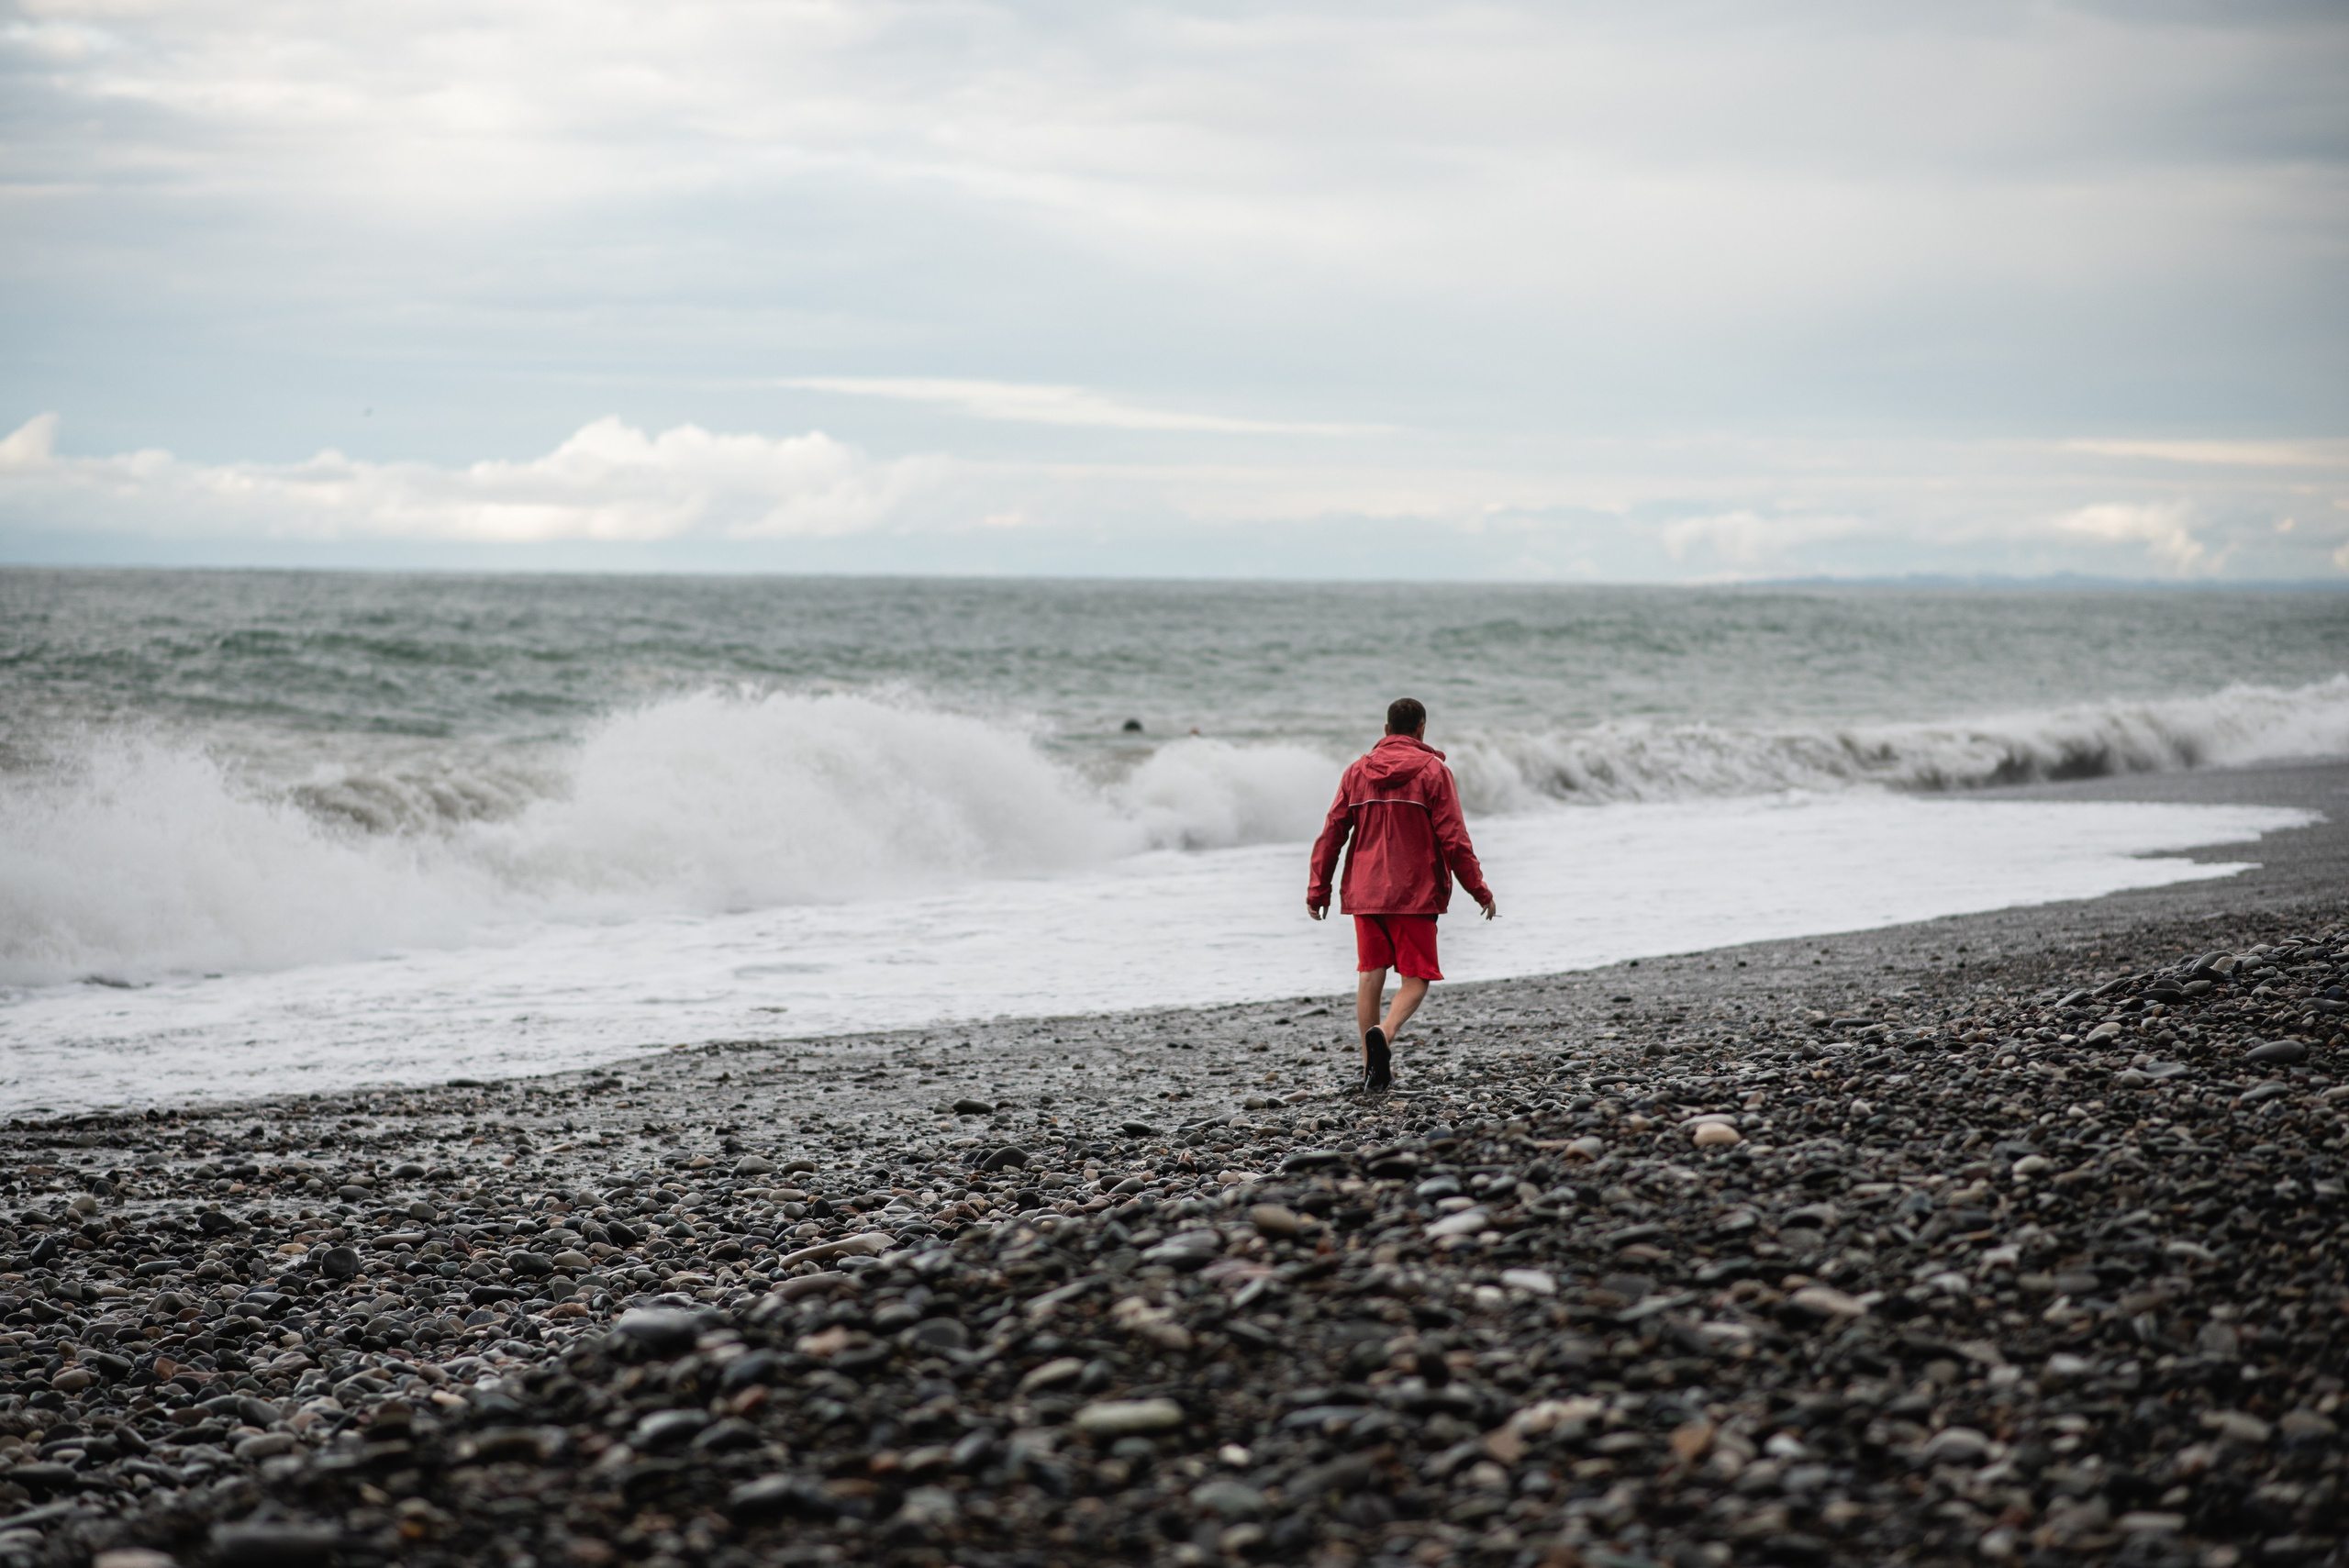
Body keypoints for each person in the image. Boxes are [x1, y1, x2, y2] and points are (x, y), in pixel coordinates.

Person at [1307, 697, 1497, 1091]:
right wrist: (1478, 889)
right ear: (1421, 729)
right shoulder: (1434, 772)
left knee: (1370, 972)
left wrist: (1318, 889)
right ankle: (1386, 1031)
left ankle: (1370, 1069)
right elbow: (1454, 838)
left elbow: (1332, 834)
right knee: (1416, 977)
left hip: (1365, 889)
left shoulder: (1356, 772)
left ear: (1386, 729)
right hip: (1415, 890)